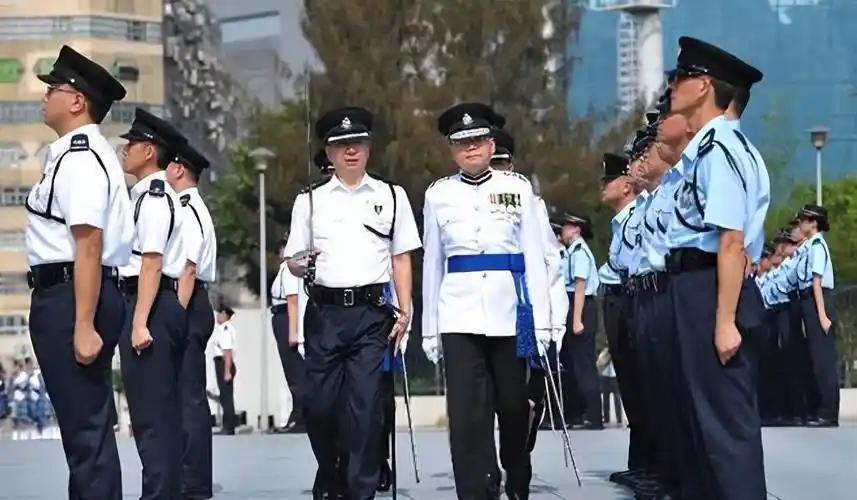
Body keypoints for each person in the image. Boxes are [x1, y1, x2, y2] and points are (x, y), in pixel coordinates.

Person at [284, 106, 421, 500]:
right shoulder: (309, 201)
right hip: (325, 314)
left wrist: (405, 309)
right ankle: (332, 469)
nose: (350, 152)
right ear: (328, 153)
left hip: (372, 314)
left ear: (368, 148)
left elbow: (401, 258)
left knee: (366, 408)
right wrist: (298, 263)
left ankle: (360, 489)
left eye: (357, 143)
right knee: (320, 406)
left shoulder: (391, 196)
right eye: (341, 145)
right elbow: (292, 262)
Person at [422, 102, 551, 500]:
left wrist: (544, 323)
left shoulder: (517, 189)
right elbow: (432, 263)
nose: (471, 150)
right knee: (466, 417)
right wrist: (429, 329)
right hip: (458, 313)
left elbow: (535, 257)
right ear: (452, 150)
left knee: (513, 407)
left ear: (492, 144)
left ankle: (516, 469)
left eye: (478, 141)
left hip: (509, 310)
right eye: (462, 144)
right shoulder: (438, 195)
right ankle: (476, 489)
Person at [24, 44, 130, 498]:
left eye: (53, 88)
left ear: (77, 101)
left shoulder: (81, 156)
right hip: (72, 295)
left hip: (72, 297)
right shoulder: (70, 154)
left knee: (86, 435)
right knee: (85, 433)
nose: (43, 96)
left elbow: (88, 243)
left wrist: (83, 324)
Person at [665, 36, 769, 500]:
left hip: (711, 286)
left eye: (680, 77)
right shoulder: (713, 147)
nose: (673, 85)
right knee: (698, 426)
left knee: (724, 426)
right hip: (700, 284)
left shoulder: (718, 149)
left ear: (703, 86)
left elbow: (730, 240)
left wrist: (724, 320)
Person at [118, 107, 189, 499]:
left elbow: (151, 260)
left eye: (130, 144)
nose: (124, 151)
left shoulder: (155, 197)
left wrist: (140, 321)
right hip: (156, 304)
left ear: (149, 151)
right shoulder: (146, 196)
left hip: (150, 306)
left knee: (152, 418)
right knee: (158, 414)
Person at [167, 139, 218, 499]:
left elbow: (188, 268)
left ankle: (193, 483)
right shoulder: (188, 206)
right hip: (188, 300)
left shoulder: (187, 209)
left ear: (179, 169)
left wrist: (174, 315)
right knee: (184, 398)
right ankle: (188, 478)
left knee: (188, 400)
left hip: (186, 301)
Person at [597, 151, 649, 478]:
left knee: (639, 383)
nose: (603, 187)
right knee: (630, 385)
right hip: (616, 299)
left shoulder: (635, 219)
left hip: (628, 300)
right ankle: (640, 463)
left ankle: (648, 465)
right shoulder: (621, 223)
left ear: (627, 186)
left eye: (609, 180)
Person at [796, 204, 839, 426]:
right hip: (811, 301)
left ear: (814, 223)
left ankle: (828, 412)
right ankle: (820, 409)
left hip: (819, 300)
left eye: (805, 219)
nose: (801, 223)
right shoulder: (810, 245)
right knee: (815, 357)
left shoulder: (817, 245)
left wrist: (821, 315)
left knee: (824, 360)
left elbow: (817, 281)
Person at [559, 212, 602, 430]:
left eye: (566, 227)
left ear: (576, 229)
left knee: (584, 365)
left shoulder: (580, 252)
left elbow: (580, 286)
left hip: (582, 307)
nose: (563, 231)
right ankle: (579, 412)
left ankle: (594, 415)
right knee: (574, 363)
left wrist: (576, 320)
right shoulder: (571, 252)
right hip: (576, 305)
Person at [270, 235, 307, 433]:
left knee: (295, 372)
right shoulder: (285, 268)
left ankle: (301, 415)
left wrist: (293, 332)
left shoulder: (290, 269)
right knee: (290, 371)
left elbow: (292, 299)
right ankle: (298, 412)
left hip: (286, 317)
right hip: (280, 315)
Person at [212, 306, 238, 435]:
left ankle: (229, 426)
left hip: (224, 363)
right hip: (222, 363)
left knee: (226, 396)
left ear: (224, 314)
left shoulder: (225, 329)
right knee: (224, 395)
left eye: (219, 314)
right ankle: (228, 425)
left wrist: (227, 371)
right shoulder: (223, 328)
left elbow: (227, 351)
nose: (217, 317)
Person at [597, 348, 622, 426]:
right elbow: (600, 362)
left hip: (614, 375)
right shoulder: (606, 351)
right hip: (605, 375)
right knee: (605, 397)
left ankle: (619, 418)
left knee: (617, 397)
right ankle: (607, 418)